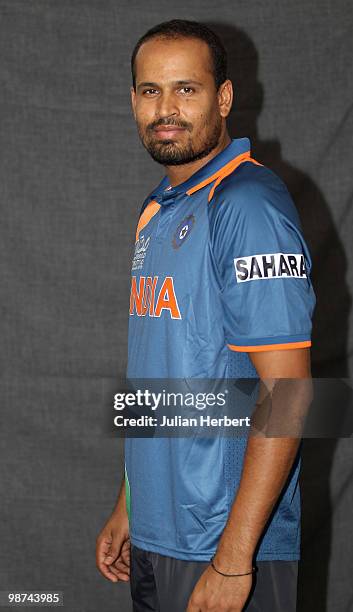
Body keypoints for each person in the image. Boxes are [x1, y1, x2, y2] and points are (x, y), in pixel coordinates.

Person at [96, 19, 316, 611]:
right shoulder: (156, 209)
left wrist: (235, 558)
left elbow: (289, 391)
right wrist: (130, 502)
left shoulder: (247, 206)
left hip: (222, 544)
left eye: (185, 89)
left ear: (223, 98)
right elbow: (159, 374)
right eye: (150, 91)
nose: (165, 108)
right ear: (134, 101)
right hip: (157, 535)